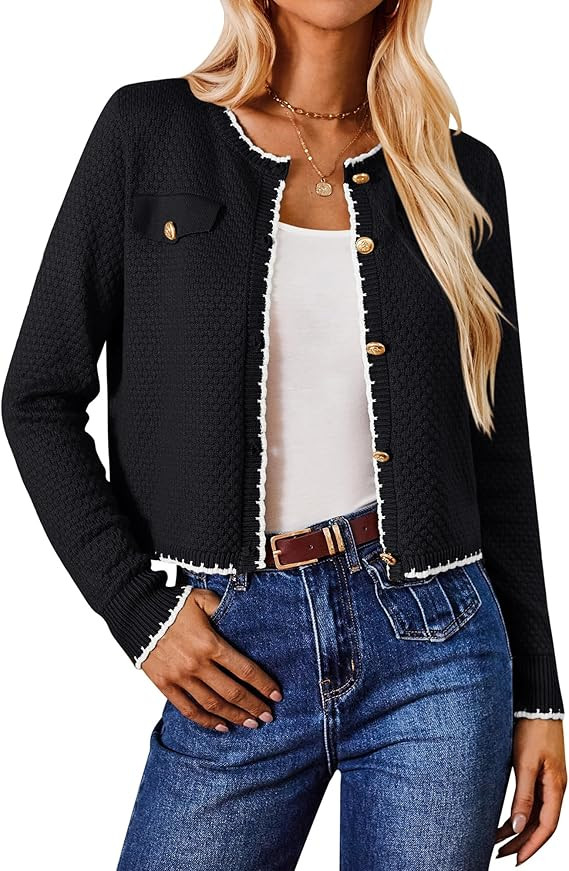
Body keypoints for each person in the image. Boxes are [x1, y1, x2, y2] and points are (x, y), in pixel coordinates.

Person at [3, 1, 566, 868]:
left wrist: (539, 695)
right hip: (235, 644)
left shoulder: (459, 173)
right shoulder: (149, 130)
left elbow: (497, 450)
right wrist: (139, 612)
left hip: (440, 649)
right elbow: (37, 397)